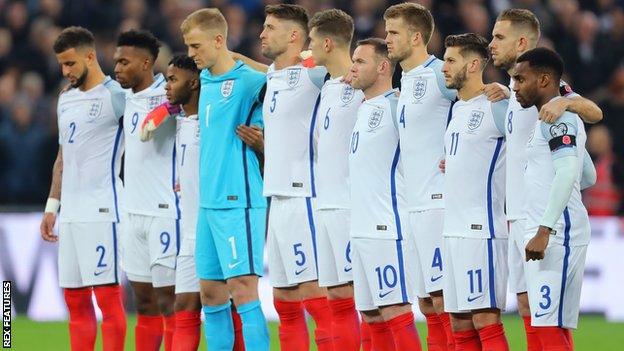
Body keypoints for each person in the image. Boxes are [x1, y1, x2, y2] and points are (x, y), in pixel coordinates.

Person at [489, 9, 603, 350]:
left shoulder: (551, 91)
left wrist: (569, 105)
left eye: (499, 37)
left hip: (542, 219)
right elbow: (587, 174)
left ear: (522, 41)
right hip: (518, 215)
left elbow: (595, 113)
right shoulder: (517, 91)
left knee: (546, 314)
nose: (491, 44)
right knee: (528, 308)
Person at [181, 8, 269, 351]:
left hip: (239, 201)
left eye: (196, 46)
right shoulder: (204, 79)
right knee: (211, 294)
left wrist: (264, 141)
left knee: (243, 289)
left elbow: (280, 77)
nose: (191, 54)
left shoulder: (250, 81)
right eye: (188, 46)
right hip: (207, 205)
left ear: (219, 41)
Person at [40, 26, 126, 351]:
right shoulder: (65, 98)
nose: (65, 72)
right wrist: (52, 208)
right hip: (71, 215)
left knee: (107, 297)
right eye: (62, 65)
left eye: (71, 64)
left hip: (102, 210)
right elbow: (62, 158)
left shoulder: (116, 96)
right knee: (75, 301)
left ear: (90, 56)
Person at [259, 4, 333, 351]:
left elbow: (345, 67)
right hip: (276, 198)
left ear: (293, 35)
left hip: (305, 196)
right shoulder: (272, 76)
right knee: (284, 300)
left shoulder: (313, 72)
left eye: (270, 27)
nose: (262, 33)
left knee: (316, 297)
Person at [383, 4, 456, 349]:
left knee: (444, 302)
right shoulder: (406, 81)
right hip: (412, 207)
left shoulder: (441, 74)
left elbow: (480, 102)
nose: (387, 40)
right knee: (427, 304)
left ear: (415, 37)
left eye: (393, 33)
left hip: (438, 204)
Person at [513, 47, 594, 351]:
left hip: (556, 237)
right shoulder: (549, 118)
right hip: (550, 233)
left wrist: (545, 229)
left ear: (544, 79)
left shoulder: (559, 119)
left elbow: (568, 172)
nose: (515, 86)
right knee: (548, 324)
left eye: (521, 79)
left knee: (547, 327)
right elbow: (588, 175)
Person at [349, 37, 422, 351]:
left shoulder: (398, 105)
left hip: (387, 227)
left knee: (394, 311)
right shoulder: (363, 108)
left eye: (360, 61)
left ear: (382, 67)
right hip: (362, 228)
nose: (352, 67)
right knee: (371, 316)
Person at [441, 33, 510, 350]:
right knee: (459, 322)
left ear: (473, 65)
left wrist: (509, 92)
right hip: (452, 231)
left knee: (485, 320)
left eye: (451, 60)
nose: (444, 67)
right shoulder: (457, 110)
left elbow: (530, 132)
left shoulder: (496, 106)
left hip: (481, 231)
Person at [113, 29, 177, 351]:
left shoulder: (169, 91)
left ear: (146, 62)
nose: (117, 68)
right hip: (132, 212)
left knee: (170, 301)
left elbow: (194, 93)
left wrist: (167, 109)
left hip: (164, 213)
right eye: (116, 61)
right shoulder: (122, 97)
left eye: (124, 62)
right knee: (144, 303)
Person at [308, 8, 366, 351]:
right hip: (325, 205)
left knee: (363, 299)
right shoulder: (328, 85)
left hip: (350, 207)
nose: (307, 48)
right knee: (336, 298)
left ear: (327, 43)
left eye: (312, 41)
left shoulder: (365, 85)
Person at [159, 54, 203, 351]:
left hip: (216, 229)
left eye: (173, 79)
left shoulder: (215, 120)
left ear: (195, 82)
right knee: (184, 304)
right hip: (189, 233)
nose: (167, 86)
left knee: (226, 306)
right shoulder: (181, 123)